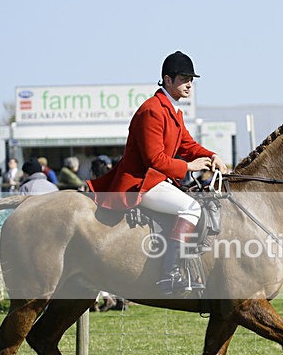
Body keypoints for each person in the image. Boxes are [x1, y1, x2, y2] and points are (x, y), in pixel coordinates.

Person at [87, 51, 228, 294]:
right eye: (184, 79)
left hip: (157, 180)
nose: (189, 84)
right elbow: (154, 159)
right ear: (168, 79)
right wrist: (188, 166)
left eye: (191, 80)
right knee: (191, 208)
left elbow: (187, 145)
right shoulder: (152, 110)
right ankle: (169, 275)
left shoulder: (173, 111)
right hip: (141, 183)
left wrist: (211, 155)